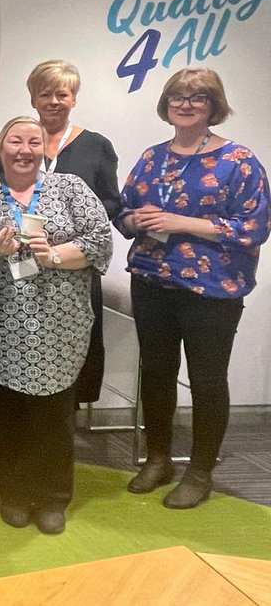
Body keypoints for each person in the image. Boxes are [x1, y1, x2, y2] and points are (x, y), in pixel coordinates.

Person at [119, 68, 269, 509]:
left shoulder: (239, 160)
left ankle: (200, 471)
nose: (185, 104)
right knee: (158, 373)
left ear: (214, 106)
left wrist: (181, 223)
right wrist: (134, 220)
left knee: (206, 380)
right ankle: (159, 457)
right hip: (152, 282)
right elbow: (125, 212)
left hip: (213, 292)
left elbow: (254, 227)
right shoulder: (152, 157)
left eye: (198, 97)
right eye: (177, 97)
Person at [0, 116, 111, 535]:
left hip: (58, 326)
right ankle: (12, 493)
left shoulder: (70, 189)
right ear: (0, 149)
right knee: (2, 415)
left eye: (33, 141)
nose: (24, 149)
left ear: (43, 150)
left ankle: (52, 498)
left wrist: (56, 255)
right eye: (15, 141)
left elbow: (101, 239)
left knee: (53, 417)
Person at [24, 60, 121, 403]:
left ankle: (68, 416)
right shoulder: (19, 141)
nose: (53, 101)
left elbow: (111, 201)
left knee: (76, 337)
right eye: (45, 93)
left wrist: (71, 231)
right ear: (33, 98)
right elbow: (1, 190)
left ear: (74, 99)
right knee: (26, 338)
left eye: (61, 94)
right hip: (25, 263)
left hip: (75, 264)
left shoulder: (96, 145)